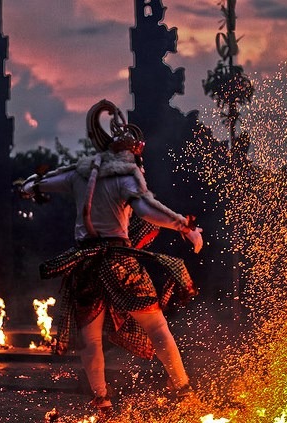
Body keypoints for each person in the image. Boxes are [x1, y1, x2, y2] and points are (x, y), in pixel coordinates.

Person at [21, 99, 203, 418]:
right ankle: (183, 389)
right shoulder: (127, 175)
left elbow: (41, 184)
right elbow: (148, 209)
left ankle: (102, 401)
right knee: (157, 327)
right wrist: (183, 226)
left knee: (90, 340)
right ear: (131, 152)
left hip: (87, 264)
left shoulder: (79, 174)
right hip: (119, 264)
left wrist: (31, 186)